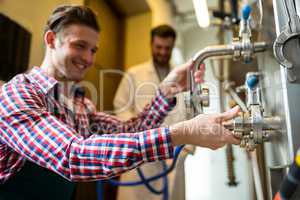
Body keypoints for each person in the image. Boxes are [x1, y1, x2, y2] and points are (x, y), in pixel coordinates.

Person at [0, 5, 240, 200]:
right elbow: (73, 155)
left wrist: (167, 90)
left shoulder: (80, 104)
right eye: (79, 46)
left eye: (93, 50)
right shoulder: (18, 94)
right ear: (51, 40)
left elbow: (129, 129)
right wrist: (181, 133)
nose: (88, 58)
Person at [114, 24, 190, 200]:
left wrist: (186, 149)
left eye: (167, 48)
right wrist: (135, 137)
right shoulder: (134, 74)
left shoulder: (182, 78)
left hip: (173, 155)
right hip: (140, 156)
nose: (163, 52)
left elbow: (191, 111)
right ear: (151, 45)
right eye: (159, 47)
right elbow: (120, 107)